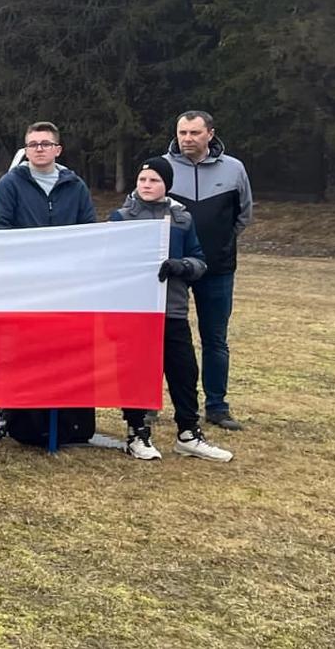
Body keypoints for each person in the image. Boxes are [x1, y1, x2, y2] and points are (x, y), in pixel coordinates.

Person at [110, 158, 233, 462]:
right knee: (136, 372)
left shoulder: (182, 219)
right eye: (142, 180)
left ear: (166, 185)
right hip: (136, 311)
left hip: (172, 309)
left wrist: (182, 266)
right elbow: (109, 262)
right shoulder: (121, 218)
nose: (147, 185)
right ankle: (137, 432)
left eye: (154, 180)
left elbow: (200, 261)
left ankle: (188, 433)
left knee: (184, 371)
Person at [0, 121, 99, 448]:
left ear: (57, 150)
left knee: (62, 352)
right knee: (22, 351)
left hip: (66, 286)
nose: (39, 149)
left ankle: (66, 421)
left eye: (45, 144)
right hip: (23, 284)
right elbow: (1, 228)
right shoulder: (10, 184)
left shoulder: (75, 186)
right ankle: (17, 415)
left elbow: (88, 230)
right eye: (33, 144)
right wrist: (34, 256)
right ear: (26, 149)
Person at [164, 111, 253, 431]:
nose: (187, 139)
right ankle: (147, 406)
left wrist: (218, 244)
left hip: (217, 269)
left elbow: (242, 216)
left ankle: (217, 406)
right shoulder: (161, 168)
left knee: (215, 339)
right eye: (182, 132)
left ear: (210, 134)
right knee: (161, 338)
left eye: (194, 133)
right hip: (173, 271)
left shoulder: (234, 169)